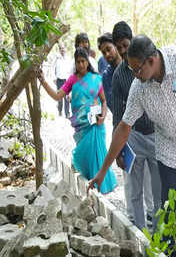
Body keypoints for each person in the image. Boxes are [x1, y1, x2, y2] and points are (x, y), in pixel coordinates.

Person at [88, 34, 176, 257]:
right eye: (132, 69)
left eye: (137, 69)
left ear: (153, 59)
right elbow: (124, 127)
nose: (135, 74)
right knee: (165, 204)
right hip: (165, 147)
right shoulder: (139, 89)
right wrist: (103, 172)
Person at [38, 47, 117, 194]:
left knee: (97, 156)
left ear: (88, 61)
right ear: (74, 63)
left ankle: (100, 189)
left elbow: (104, 101)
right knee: (83, 156)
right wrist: (43, 82)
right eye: (78, 61)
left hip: (95, 125)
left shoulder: (96, 78)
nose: (81, 64)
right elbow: (57, 96)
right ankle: (90, 188)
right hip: (81, 127)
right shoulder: (72, 80)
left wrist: (103, 116)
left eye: (83, 61)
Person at [110, 21, 160, 231]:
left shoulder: (152, 63)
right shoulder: (118, 76)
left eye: (125, 45)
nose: (122, 51)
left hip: (157, 133)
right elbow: (118, 116)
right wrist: (119, 149)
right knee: (134, 191)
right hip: (133, 137)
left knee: (158, 192)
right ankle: (139, 237)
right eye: (118, 47)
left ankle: (161, 238)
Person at [97, 32, 121, 111]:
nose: (107, 54)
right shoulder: (106, 76)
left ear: (115, 46)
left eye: (108, 49)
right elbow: (111, 104)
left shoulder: (131, 65)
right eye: (104, 52)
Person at [53, 43, 72, 117]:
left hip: (66, 80)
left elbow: (70, 70)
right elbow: (52, 68)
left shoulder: (68, 58)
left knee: (67, 96)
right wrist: (54, 78)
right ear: (59, 50)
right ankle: (60, 110)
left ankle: (67, 113)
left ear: (65, 49)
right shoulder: (57, 58)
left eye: (63, 48)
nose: (62, 50)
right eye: (61, 48)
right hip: (59, 80)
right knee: (60, 97)